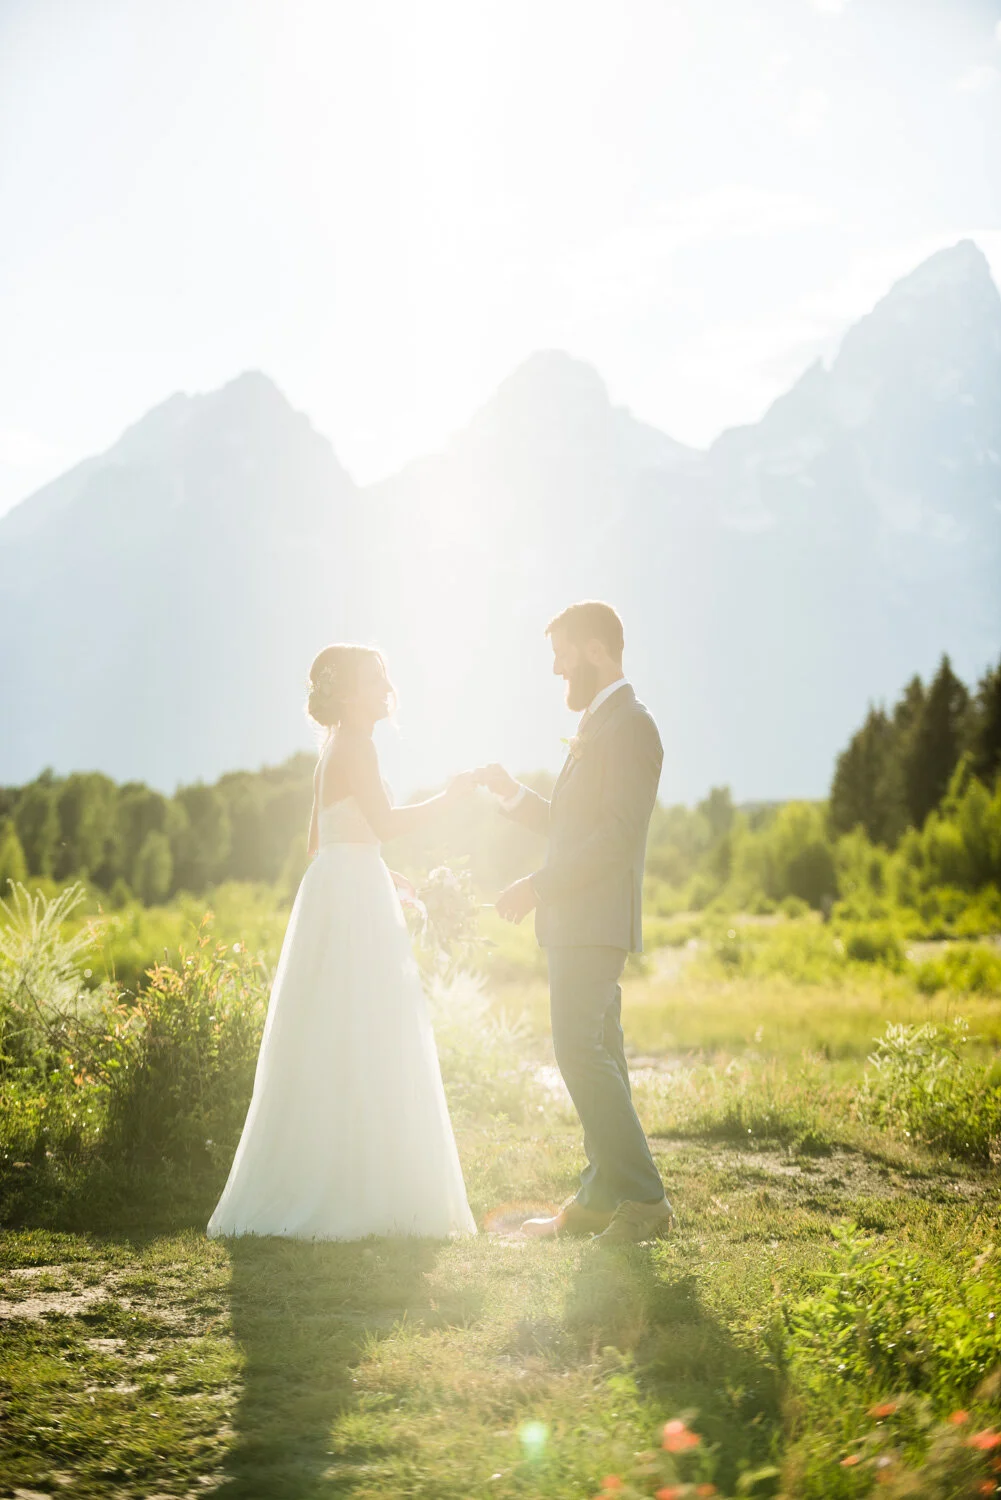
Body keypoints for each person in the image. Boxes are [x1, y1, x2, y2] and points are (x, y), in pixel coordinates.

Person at [207, 643, 477, 1241]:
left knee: (332, 1030)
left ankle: (330, 1177)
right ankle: (365, 1190)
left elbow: (320, 841)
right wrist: (451, 798)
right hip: (353, 898)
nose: (386, 689)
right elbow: (385, 824)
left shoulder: (333, 748)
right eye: (375, 680)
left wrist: (378, 869)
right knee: (372, 1028)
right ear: (348, 694)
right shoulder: (356, 745)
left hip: (335, 888)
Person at [478, 601, 674, 1245]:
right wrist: (512, 796)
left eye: (562, 654)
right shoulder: (600, 722)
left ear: (595, 649)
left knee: (578, 1051)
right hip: (578, 922)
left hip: (594, 921)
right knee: (600, 1054)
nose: (557, 669)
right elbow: (573, 826)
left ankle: (645, 1201)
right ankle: (597, 1201)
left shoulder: (631, 726)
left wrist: (537, 886)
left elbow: (615, 839)